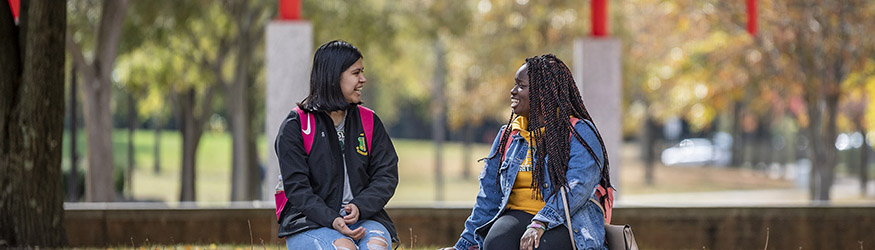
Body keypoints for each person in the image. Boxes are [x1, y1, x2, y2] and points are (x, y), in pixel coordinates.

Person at [448, 54, 611, 250]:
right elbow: (487, 198)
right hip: (517, 214)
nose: (513, 91)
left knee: (540, 246)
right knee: (495, 243)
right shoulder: (507, 135)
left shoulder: (579, 132)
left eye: (521, 86)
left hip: (567, 221)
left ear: (543, 93)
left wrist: (541, 222)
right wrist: (463, 246)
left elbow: (578, 186)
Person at [275, 40, 399, 250]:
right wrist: (333, 219)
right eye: (355, 73)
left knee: (375, 247)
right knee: (344, 248)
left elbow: (386, 176)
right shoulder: (296, 125)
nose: (363, 79)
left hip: (366, 220)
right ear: (334, 76)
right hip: (309, 223)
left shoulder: (370, 122)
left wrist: (359, 207)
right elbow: (297, 189)